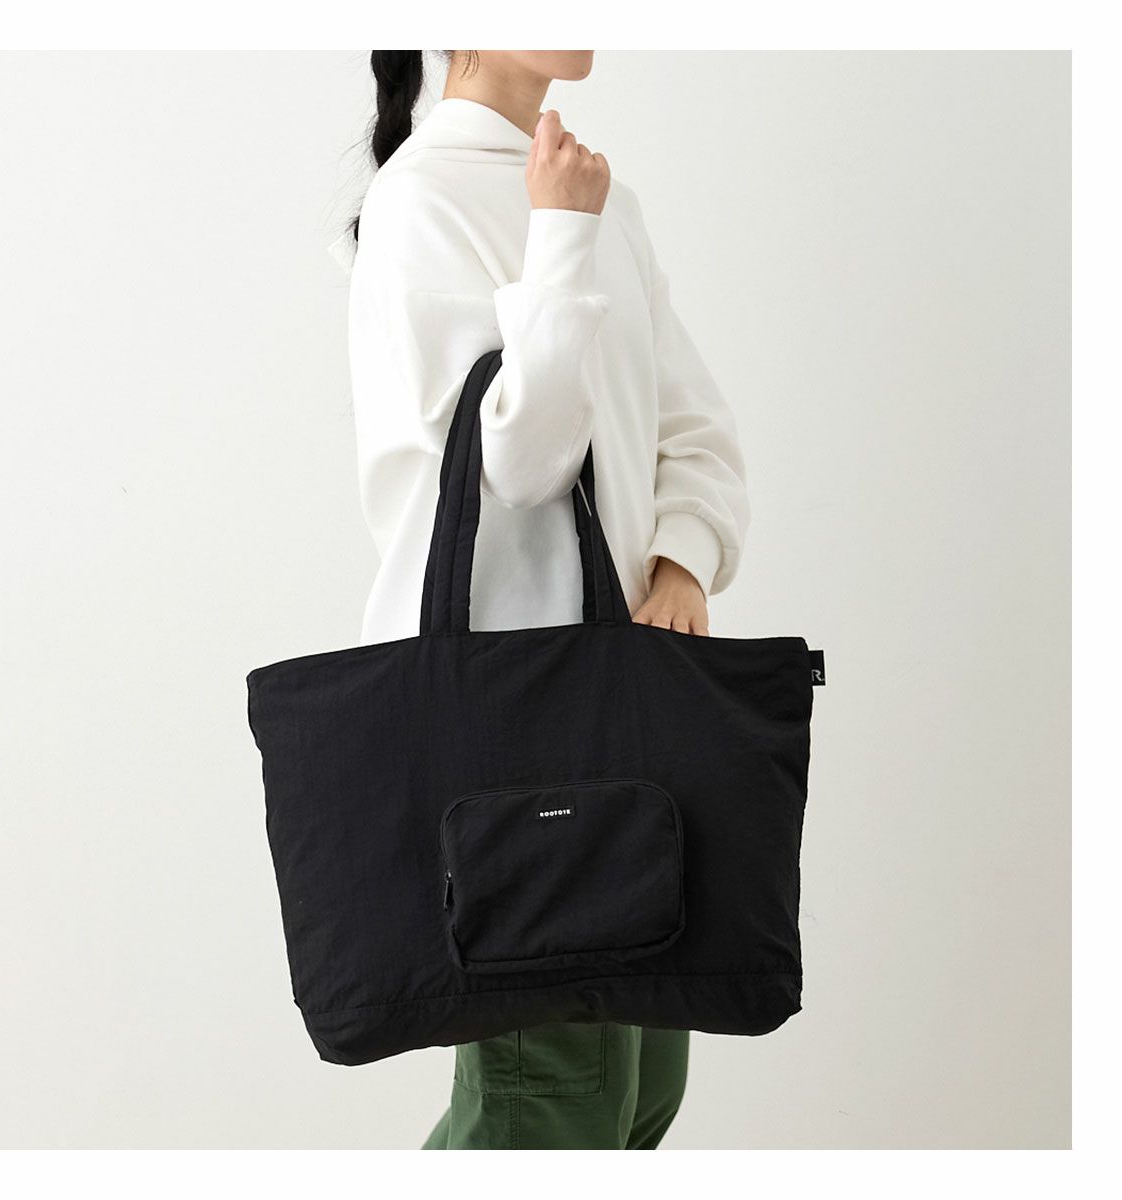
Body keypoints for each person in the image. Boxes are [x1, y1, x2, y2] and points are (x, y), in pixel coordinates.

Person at [330, 50, 751, 1150]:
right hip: (509, 729)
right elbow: (517, 468)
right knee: (554, 1105)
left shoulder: (606, 198)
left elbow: (694, 429)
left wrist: (682, 561)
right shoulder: (422, 201)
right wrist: (559, 237)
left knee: (639, 1098)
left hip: (635, 703)